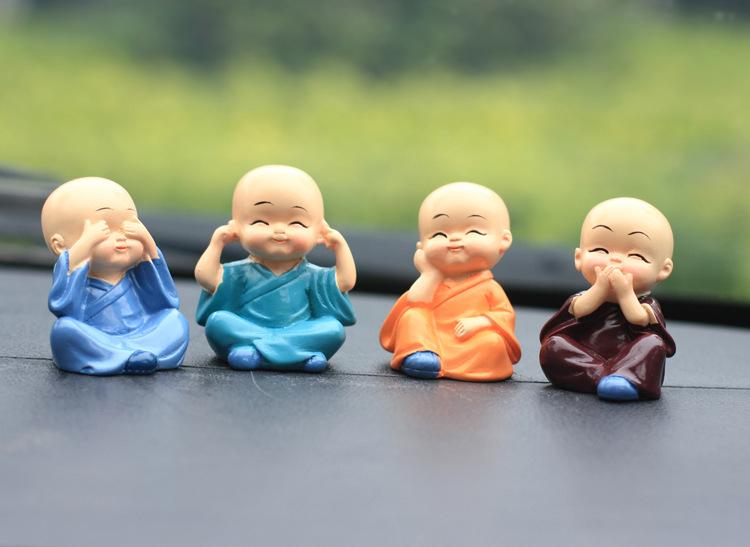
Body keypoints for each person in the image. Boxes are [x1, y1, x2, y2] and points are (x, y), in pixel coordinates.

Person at [195, 165, 356, 372]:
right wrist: (217, 242)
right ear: (237, 228)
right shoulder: (241, 273)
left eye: (296, 223)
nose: (279, 230)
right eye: (261, 221)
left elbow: (345, 282)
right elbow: (206, 279)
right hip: (251, 327)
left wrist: (340, 246)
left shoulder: (311, 276)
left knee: (333, 328)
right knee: (218, 321)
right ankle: (299, 354)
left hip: (294, 329)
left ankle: (255, 351)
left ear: (319, 232)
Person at [41, 177, 189, 375]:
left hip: (144, 334)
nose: (122, 238)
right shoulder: (76, 277)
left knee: (174, 320)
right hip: (97, 339)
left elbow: (166, 302)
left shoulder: (138, 275)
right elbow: (63, 306)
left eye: (129, 227)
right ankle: (123, 357)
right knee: (64, 330)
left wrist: (147, 242)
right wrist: (85, 246)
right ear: (61, 246)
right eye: (105, 230)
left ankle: (134, 356)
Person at [379, 182, 521, 381]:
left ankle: (470, 364)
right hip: (430, 336)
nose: (454, 239)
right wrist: (429, 274)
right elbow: (417, 301)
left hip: (469, 339)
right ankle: (421, 353)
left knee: (493, 342)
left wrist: (479, 322)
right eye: (439, 234)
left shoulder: (489, 287)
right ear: (422, 245)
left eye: (473, 232)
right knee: (412, 315)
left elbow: (504, 315)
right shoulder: (433, 279)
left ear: (503, 240)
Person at [539, 197, 676, 401]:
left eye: (636, 256)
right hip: (587, 353)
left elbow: (638, 318)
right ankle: (606, 376)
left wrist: (625, 293)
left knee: (653, 343)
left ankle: (622, 375)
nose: (615, 259)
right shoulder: (584, 297)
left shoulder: (647, 304)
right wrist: (600, 289)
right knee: (553, 346)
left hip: (630, 356)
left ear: (663, 269)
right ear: (579, 257)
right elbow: (581, 310)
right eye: (600, 250)